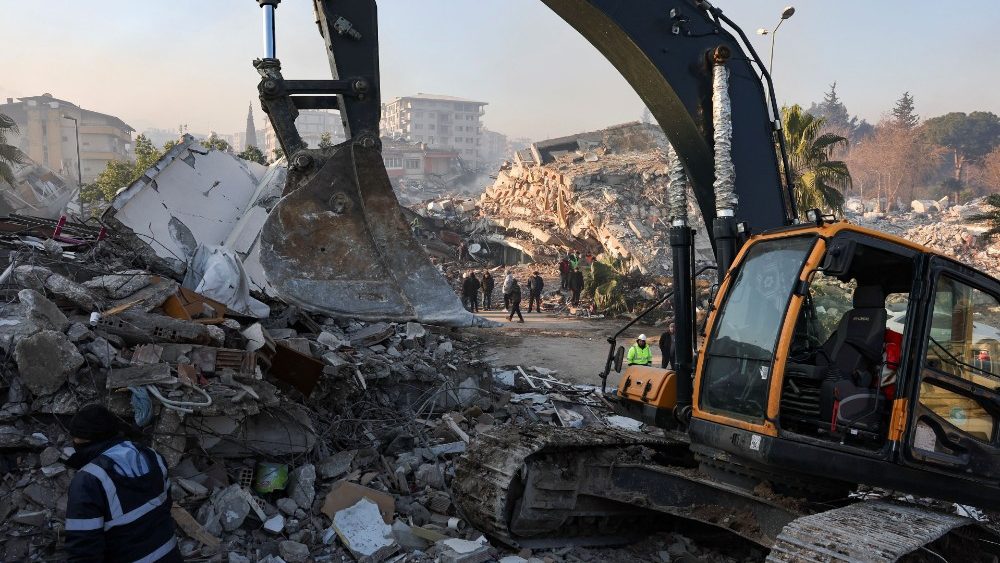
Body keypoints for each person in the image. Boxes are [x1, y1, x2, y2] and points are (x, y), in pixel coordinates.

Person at [65, 404, 182, 562]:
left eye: (75, 437)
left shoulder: (88, 481)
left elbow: (83, 550)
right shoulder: (151, 455)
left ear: (85, 439)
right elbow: (165, 508)